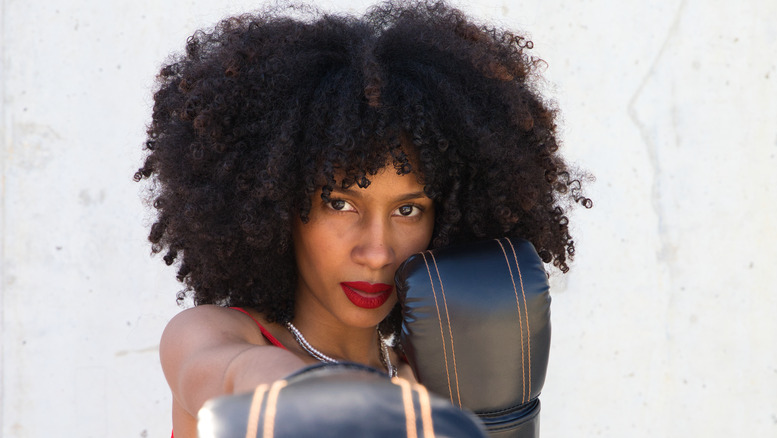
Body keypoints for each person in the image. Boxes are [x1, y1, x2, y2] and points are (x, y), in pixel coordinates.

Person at [134, 1, 590, 436]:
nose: (376, 252)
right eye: (340, 204)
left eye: (408, 210)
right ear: (276, 202)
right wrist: (328, 399)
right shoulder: (218, 336)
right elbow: (235, 376)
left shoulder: (436, 389)